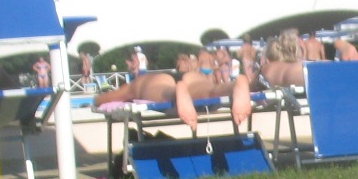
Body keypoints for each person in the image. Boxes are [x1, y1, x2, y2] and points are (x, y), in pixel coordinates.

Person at [94, 49, 252, 130]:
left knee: (164, 93)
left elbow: (110, 98)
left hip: (158, 80)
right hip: (193, 76)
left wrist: (98, 99)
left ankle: (177, 91)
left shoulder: (139, 81)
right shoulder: (194, 66)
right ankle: (234, 85)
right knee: (210, 91)